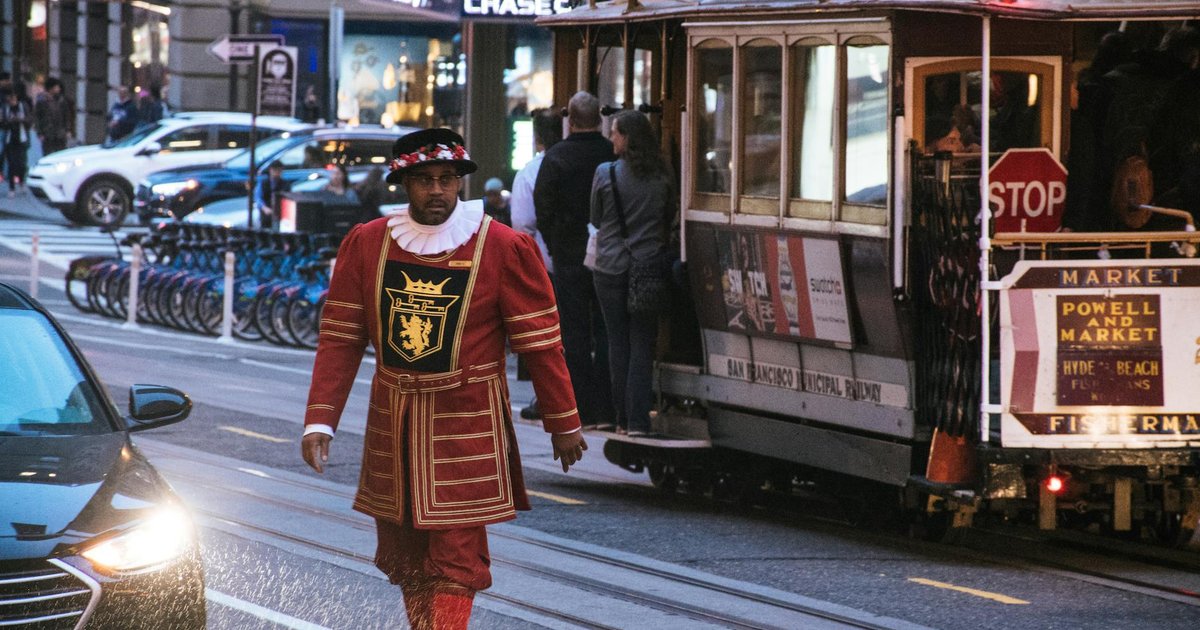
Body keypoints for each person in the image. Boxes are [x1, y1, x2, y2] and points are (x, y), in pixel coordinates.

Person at [300, 128, 587, 630]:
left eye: (447, 179)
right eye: (425, 180)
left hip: (467, 424)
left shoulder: (502, 247)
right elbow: (341, 337)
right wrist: (320, 420)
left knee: (456, 558)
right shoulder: (368, 243)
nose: (437, 190)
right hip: (394, 423)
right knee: (406, 554)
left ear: (460, 183)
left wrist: (563, 421)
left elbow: (541, 344)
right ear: (403, 184)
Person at [534, 90, 616, 428]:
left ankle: (582, 404)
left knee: (574, 331)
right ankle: (608, 405)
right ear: (600, 118)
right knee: (607, 329)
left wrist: (554, 244)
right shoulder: (611, 153)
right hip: (609, 254)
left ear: (570, 119)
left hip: (569, 254)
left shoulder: (556, 157)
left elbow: (543, 208)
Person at [589, 110, 672, 436]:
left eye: (615, 132)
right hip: (647, 266)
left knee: (617, 342)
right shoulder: (662, 175)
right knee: (641, 344)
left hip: (610, 266)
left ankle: (621, 418)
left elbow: (595, 218)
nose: (611, 138)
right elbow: (668, 216)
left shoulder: (605, 173)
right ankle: (638, 420)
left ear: (627, 137)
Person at [511, 107, 562, 420]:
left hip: (544, 262)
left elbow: (522, 224)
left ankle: (548, 398)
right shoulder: (586, 162)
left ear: (538, 138)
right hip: (588, 260)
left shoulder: (531, 172)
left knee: (545, 334)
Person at [1, 89, 31, 197]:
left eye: (13, 98)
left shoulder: (23, 106)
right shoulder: (5, 108)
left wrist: (21, 119)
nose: (12, 101)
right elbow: (3, 124)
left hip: (21, 139)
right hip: (10, 140)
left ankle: (22, 182)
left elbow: (29, 121)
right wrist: (9, 121)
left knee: (22, 164)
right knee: (11, 164)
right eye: (10, 99)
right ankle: (12, 187)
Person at [34, 77, 73, 157]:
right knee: (48, 155)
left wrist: (68, 130)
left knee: (61, 154)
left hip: (60, 134)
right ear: (50, 88)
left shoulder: (62, 101)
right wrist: (40, 133)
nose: (58, 89)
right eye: (56, 87)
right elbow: (37, 118)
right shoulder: (41, 101)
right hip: (47, 134)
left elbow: (66, 116)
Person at [254, 160, 290, 229]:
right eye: (275, 170)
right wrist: (264, 208)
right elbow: (258, 198)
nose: (277, 172)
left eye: (279, 170)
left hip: (280, 215)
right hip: (266, 215)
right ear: (270, 170)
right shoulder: (263, 183)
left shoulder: (285, 184)